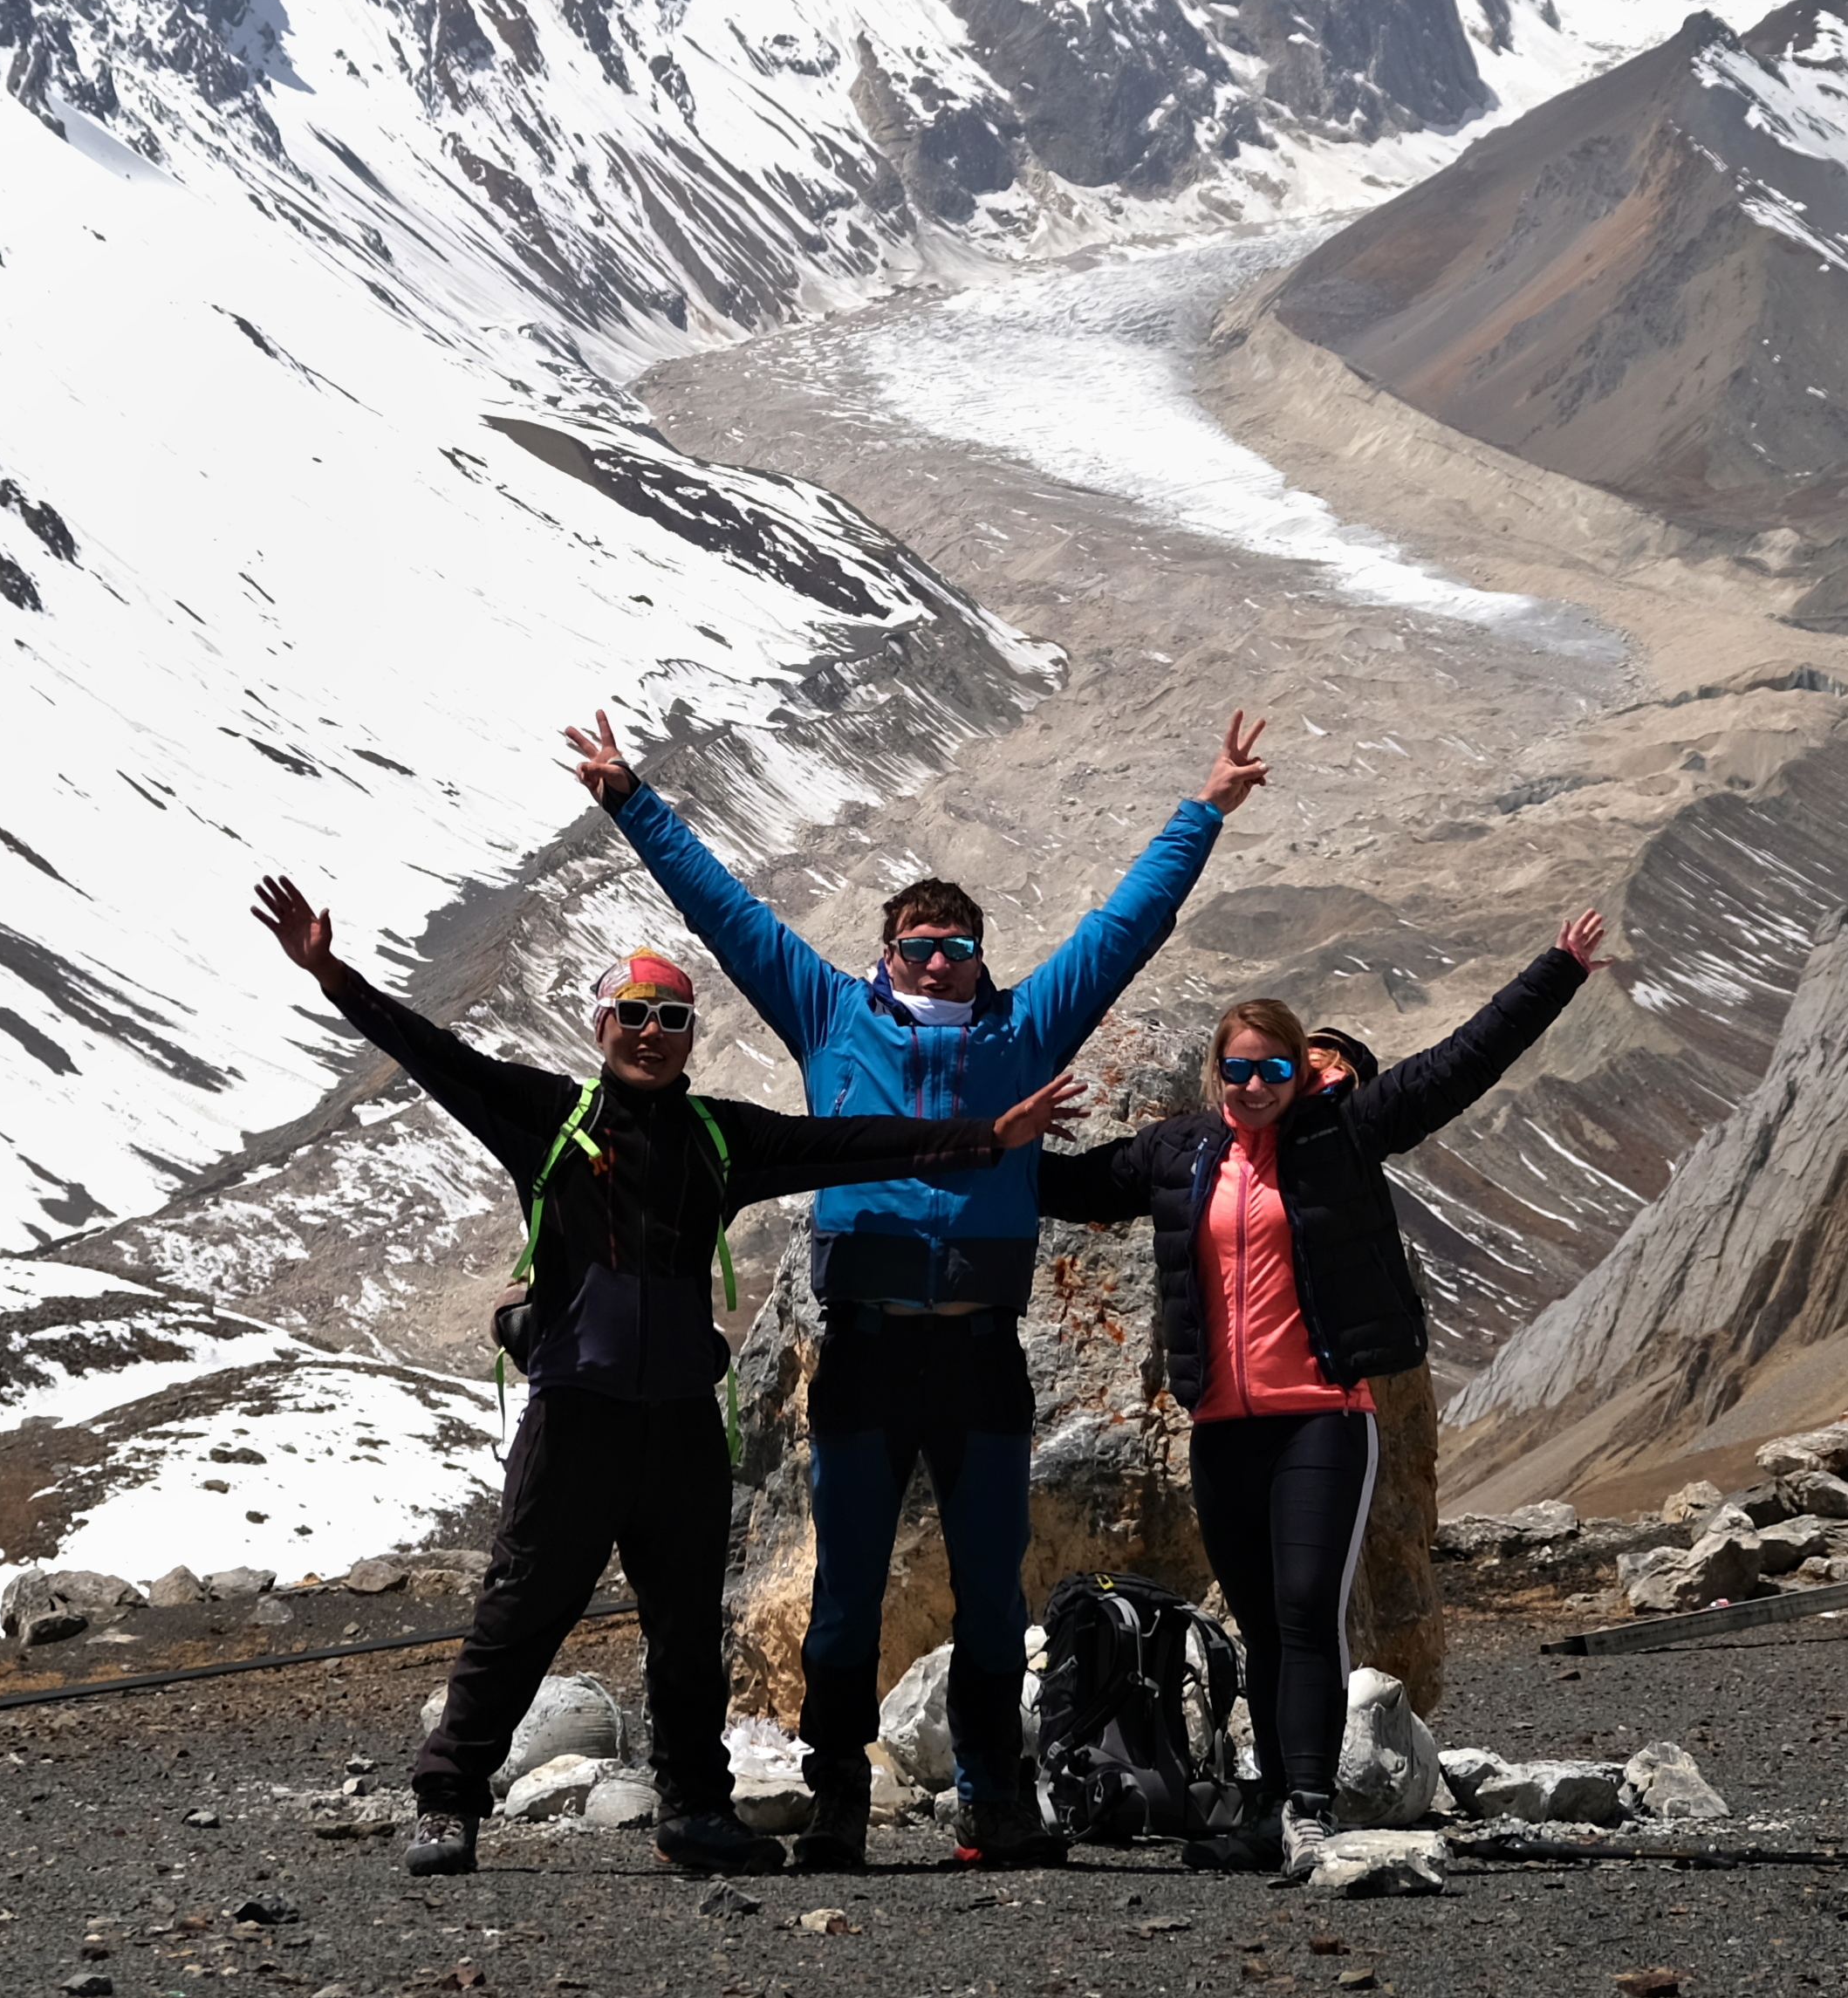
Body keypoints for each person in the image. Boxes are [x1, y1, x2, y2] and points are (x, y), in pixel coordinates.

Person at [246, 873, 1087, 1879]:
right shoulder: (545, 1118)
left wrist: (983, 1138)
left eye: (672, 1016)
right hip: (577, 1413)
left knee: (687, 1627)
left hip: (683, 1420)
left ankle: (694, 1808)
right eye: (633, 1014)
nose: (651, 1031)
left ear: (691, 1033)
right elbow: (437, 1057)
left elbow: (849, 1142)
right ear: (601, 1025)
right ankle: (448, 1800)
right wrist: (331, 972)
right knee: (522, 1607)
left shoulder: (721, 1137)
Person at [565, 706, 1271, 1867]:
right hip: (864, 1345)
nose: (936, 961)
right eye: (915, 945)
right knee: (844, 1592)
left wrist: (1204, 810)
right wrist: (632, 800)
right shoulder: (827, 1014)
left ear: (980, 956)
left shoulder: (1027, 1028)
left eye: (954, 945)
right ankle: (834, 1789)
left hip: (981, 1349)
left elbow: (1125, 924)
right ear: (882, 956)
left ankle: (997, 1795)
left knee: (992, 1589)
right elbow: (726, 913)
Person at [1037, 911, 1612, 1883]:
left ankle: (1307, 1807)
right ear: (1214, 1077)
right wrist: (993, 1139)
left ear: (1302, 1074)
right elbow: (1070, 1187)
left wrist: (1556, 971)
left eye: (1274, 1070)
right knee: (1260, 1621)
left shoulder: (1342, 1135)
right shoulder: (1176, 1154)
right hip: (1221, 1427)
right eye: (1238, 1071)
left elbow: (1460, 1063)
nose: (1254, 1087)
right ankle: (1270, 1807)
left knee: (1306, 1610)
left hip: (1321, 1419)